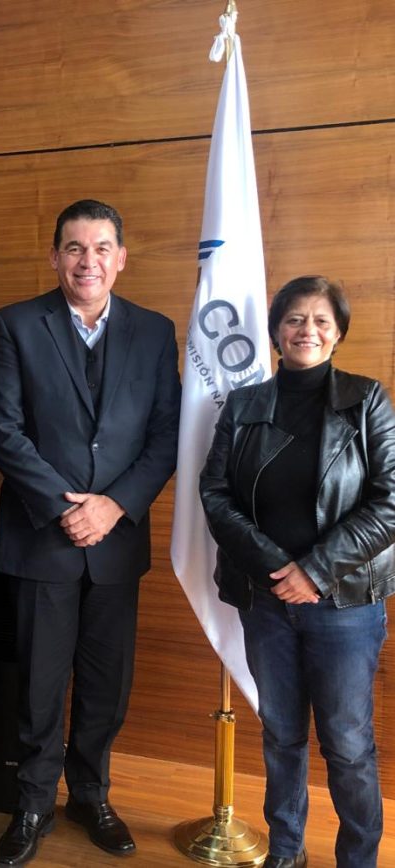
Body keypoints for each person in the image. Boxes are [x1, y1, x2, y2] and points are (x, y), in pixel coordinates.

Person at [0, 199, 181, 866]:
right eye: (73, 247)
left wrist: (113, 506)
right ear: (54, 256)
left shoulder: (154, 331)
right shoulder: (15, 324)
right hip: (43, 538)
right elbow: (2, 428)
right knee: (39, 683)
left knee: (105, 683)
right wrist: (66, 507)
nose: (86, 260)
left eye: (100, 248)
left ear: (121, 257)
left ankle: (91, 795)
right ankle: (33, 802)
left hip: (117, 542)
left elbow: (165, 434)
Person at [199, 276, 395, 868]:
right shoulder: (244, 406)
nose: (307, 330)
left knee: (348, 745)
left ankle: (358, 859)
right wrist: (276, 567)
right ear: (276, 331)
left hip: (345, 604)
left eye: (320, 320)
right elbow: (215, 493)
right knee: (281, 734)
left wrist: (313, 571)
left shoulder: (366, 399)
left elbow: (389, 502)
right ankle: (286, 851)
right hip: (266, 600)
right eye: (294, 319)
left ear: (338, 333)